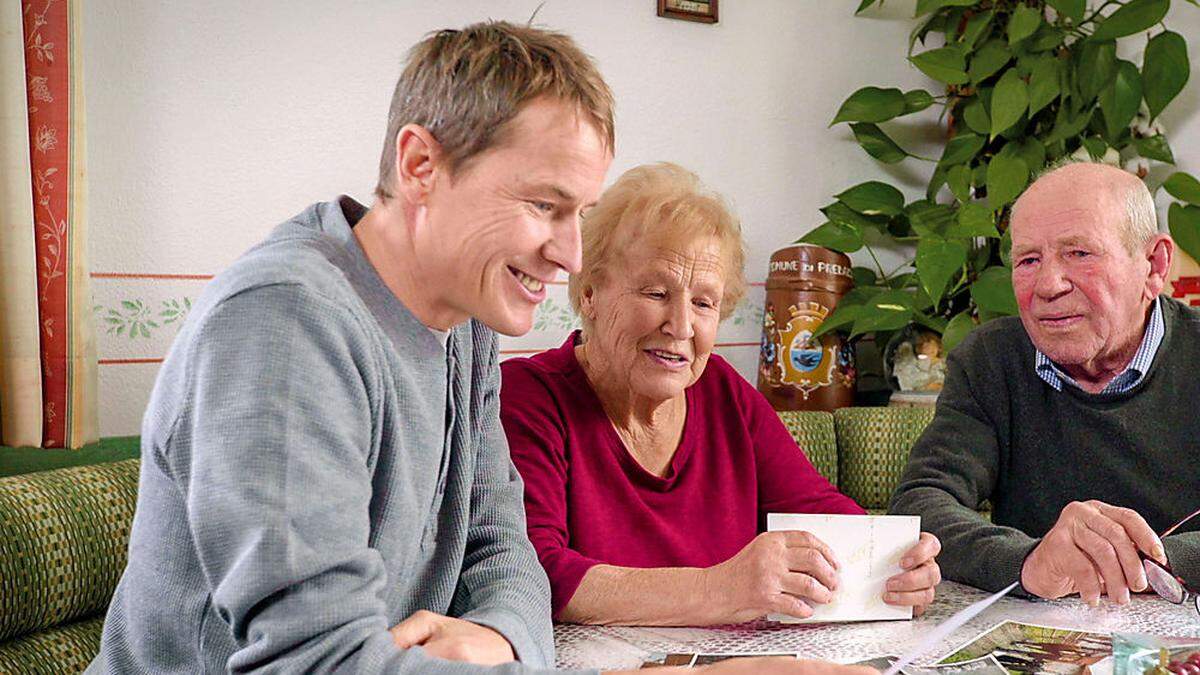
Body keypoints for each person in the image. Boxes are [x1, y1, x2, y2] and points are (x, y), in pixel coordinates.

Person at [87, 20, 876, 675]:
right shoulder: (285, 324)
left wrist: (501, 636)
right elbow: (316, 661)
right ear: (421, 165)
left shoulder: (461, 324)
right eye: (544, 204)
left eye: (582, 213)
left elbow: (506, 554)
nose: (571, 255)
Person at [500, 163, 942, 626]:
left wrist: (898, 561)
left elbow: (820, 512)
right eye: (655, 292)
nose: (681, 326)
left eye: (703, 302)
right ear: (590, 293)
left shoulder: (721, 390)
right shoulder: (530, 397)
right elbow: (533, 574)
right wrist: (719, 587)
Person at [890, 160, 1200, 607]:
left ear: (1153, 266)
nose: (1048, 285)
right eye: (1029, 260)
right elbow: (923, 500)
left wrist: (1137, 560)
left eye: (1080, 253)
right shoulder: (991, 360)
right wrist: (1029, 561)